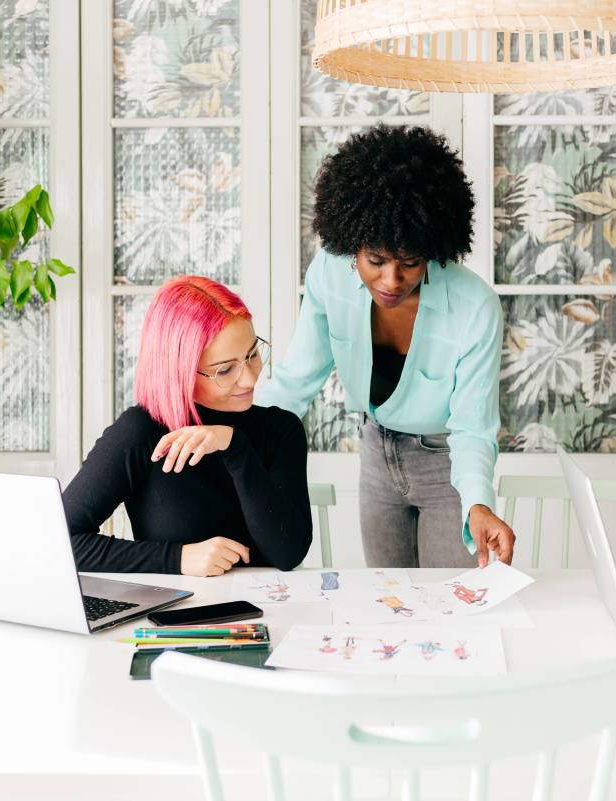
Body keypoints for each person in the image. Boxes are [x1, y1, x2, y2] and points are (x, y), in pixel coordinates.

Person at [276, 124, 517, 567]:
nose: (391, 282)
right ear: (351, 244)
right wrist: (230, 432)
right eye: (375, 261)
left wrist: (478, 503)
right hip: (375, 452)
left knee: (450, 611)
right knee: (386, 605)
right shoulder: (329, 274)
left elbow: (473, 426)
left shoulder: (474, 306)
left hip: (445, 466)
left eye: (409, 263)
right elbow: (293, 382)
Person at [61, 276, 312, 576]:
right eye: (225, 369)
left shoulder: (281, 430)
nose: (249, 378)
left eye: (252, 355)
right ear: (179, 372)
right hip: (176, 617)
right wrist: (177, 559)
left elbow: (288, 553)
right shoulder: (141, 432)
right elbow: (62, 542)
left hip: (272, 611)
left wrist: (235, 446)